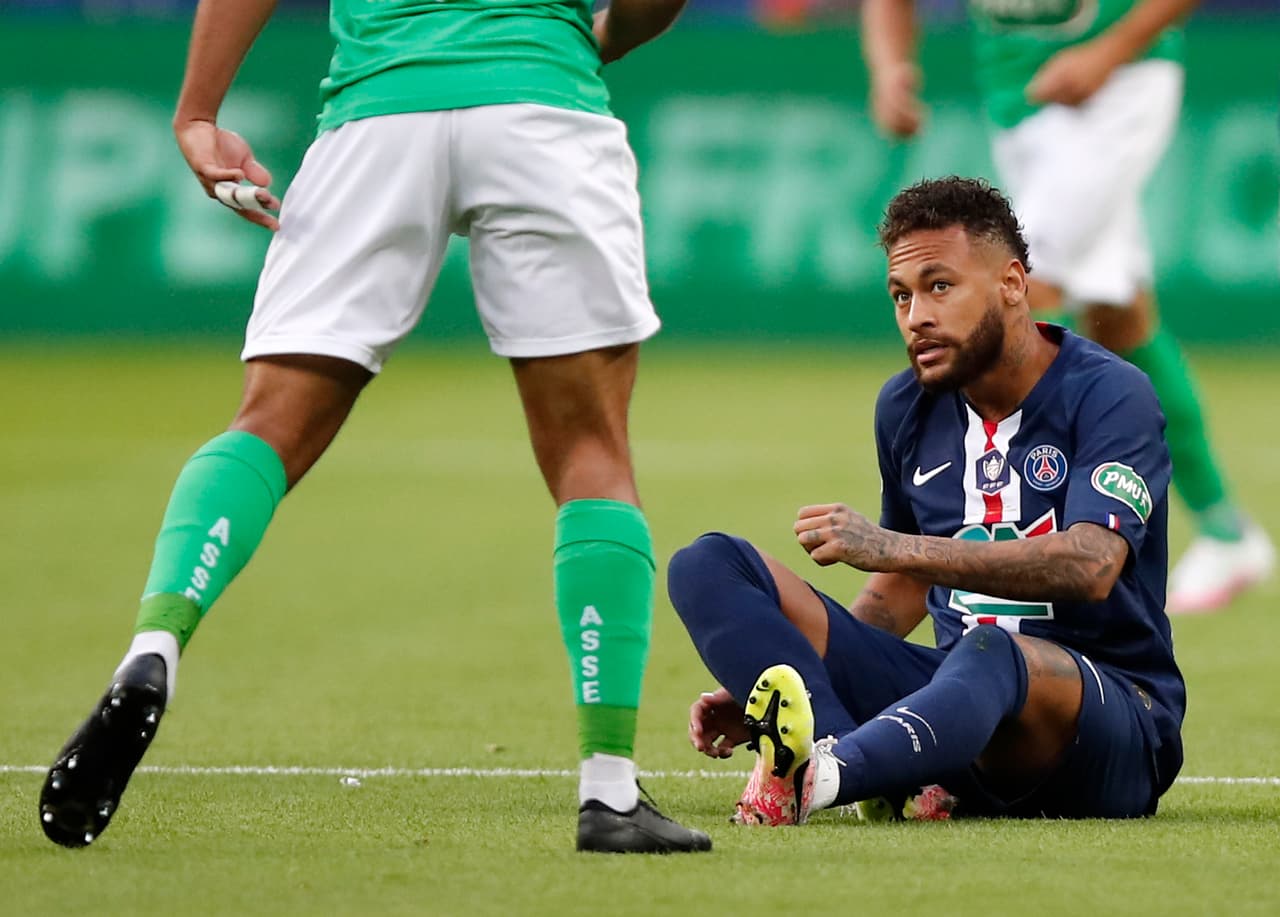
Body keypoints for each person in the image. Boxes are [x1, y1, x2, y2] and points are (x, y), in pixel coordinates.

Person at [38, 0, 711, 855]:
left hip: (376, 112)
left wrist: (199, 112)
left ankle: (156, 641)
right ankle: (609, 791)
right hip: (543, 101)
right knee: (591, 452)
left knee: (266, 423)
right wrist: (599, 35)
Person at [667, 177, 1185, 824]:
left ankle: (833, 775)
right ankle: (826, 748)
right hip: (952, 708)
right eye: (900, 296)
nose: (917, 317)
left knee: (989, 648)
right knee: (707, 563)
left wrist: (891, 545)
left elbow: (1092, 563)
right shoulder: (906, 407)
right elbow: (900, 590)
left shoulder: (1111, 394)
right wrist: (794, 679)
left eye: (940, 286)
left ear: (1013, 284)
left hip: (1108, 727)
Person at [860, 0, 1274, 614]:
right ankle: (1225, 529)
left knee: (1017, 286)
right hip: (1017, 103)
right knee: (1122, 311)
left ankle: (1003, 534)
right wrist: (890, 64)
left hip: (1118, 87)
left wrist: (1107, 53)